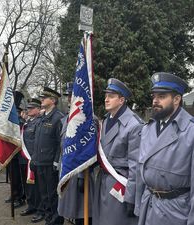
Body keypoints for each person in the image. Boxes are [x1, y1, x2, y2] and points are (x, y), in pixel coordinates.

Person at [135, 72, 194, 225]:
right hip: (149, 209)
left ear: (176, 99)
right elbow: (141, 171)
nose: (155, 101)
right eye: (154, 96)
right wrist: (138, 207)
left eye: (162, 96)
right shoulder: (148, 129)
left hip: (176, 214)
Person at [93, 78, 144, 225]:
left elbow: (136, 166)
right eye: (106, 96)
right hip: (103, 180)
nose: (106, 99)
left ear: (121, 100)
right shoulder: (107, 120)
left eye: (111, 96)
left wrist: (132, 196)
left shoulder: (134, 125)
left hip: (121, 184)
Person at [58, 82, 95, 225]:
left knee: (82, 211)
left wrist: (81, 175)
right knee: (71, 210)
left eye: (72, 95)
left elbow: (88, 151)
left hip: (80, 172)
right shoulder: (66, 120)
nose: (69, 99)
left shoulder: (89, 120)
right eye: (68, 96)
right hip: (66, 168)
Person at [31, 86, 64, 225]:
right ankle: (48, 218)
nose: (41, 99)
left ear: (53, 100)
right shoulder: (41, 118)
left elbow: (59, 143)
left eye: (44, 98)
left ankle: (56, 220)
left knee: (52, 195)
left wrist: (56, 162)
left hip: (50, 164)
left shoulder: (58, 118)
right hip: (39, 162)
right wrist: (33, 159)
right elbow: (37, 141)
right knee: (44, 195)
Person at [20, 98, 42, 217]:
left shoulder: (39, 122)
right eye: (28, 108)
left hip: (34, 158)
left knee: (37, 187)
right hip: (25, 158)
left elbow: (38, 142)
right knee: (28, 185)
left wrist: (34, 157)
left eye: (31, 108)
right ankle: (31, 205)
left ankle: (40, 209)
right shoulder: (28, 123)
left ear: (38, 110)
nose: (28, 110)